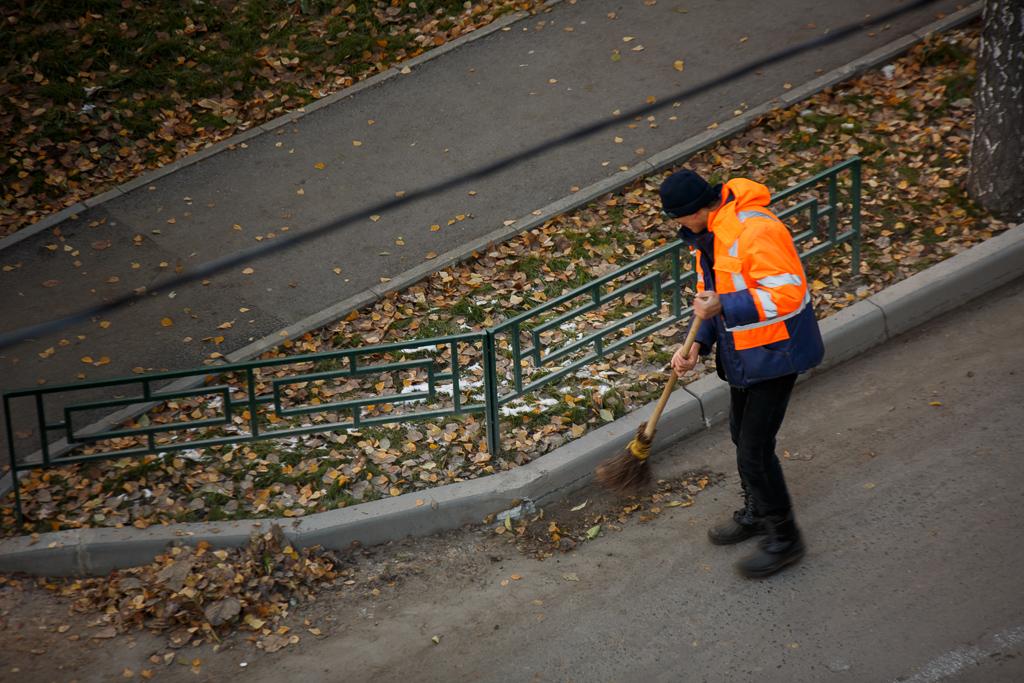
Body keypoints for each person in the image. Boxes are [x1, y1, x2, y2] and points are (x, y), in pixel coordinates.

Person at [660, 168, 824, 578]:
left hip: (776, 353)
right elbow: (709, 300)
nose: (677, 226)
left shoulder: (754, 231)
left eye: (677, 217)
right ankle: (757, 511)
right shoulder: (707, 240)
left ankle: (785, 539)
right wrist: (696, 344)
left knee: (753, 448)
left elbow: (788, 294)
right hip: (743, 355)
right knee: (741, 436)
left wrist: (725, 307)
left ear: (697, 210)